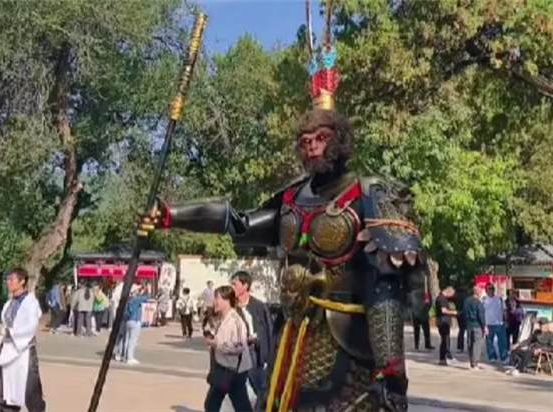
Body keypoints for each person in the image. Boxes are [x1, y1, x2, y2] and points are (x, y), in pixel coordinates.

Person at [136, 10, 429, 408]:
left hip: (347, 344)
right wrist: (172, 216)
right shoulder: (292, 198)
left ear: (340, 140)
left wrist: (391, 371)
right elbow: (238, 222)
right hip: (292, 337)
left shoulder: (370, 193)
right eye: (305, 141)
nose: (312, 146)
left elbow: (386, 289)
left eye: (321, 138)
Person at [0, 267, 46, 412]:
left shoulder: (31, 303)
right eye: (7, 279)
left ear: (22, 281)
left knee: (31, 396)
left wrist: (7, 331)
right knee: (6, 396)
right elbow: (3, 333)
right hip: (6, 354)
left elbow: (29, 328)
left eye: (12, 279)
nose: (8, 282)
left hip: (24, 354)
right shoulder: (9, 304)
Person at [204, 285, 253, 412]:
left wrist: (217, 344)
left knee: (215, 403)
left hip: (233, 371)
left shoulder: (236, 321)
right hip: (224, 368)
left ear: (226, 300)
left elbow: (239, 346)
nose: (215, 301)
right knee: (214, 403)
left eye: (217, 298)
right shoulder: (222, 318)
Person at [230, 271, 273, 411]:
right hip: (238, 355)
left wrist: (270, 357)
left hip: (256, 355)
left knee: (262, 390)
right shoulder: (231, 308)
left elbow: (270, 332)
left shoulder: (259, 307)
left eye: (235, 284)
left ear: (245, 285)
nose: (232, 287)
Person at [116, 284, 153, 365]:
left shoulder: (128, 299)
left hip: (128, 321)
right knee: (133, 340)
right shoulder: (136, 299)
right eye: (137, 291)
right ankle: (130, 357)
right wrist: (147, 290)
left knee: (127, 339)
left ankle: (124, 356)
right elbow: (147, 297)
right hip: (135, 321)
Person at [482, 283, 508, 363]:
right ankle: (492, 356)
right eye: (489, 289)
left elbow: (504, 311)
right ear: (486, 291)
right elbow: (481, 312)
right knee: (489, 342)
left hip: (499, 323)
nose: (491, 290)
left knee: (502, 341)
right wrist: (483, 324)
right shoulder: (483, 300)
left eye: (492, 288)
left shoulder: (499, 299)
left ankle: (504, 357)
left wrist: (506, 320)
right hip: (488, 324)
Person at [463, 286, 487, 370]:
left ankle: (471, 362)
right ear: (478, 293)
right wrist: (484, 326)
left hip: (469, 324)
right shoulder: (478, 303)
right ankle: (475, 363)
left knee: (470, 343)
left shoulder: (466, 301)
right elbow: (481, 315)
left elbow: (464, 312)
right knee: (477, 344)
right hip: (477, 325)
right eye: (481, 292)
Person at [436, 287, 457, 366]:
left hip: (442, 321)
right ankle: (449, 357)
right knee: (446, 340)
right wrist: (453, 312)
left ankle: (442, 359)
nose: (451, 296)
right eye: (451, 295)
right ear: (448, 292)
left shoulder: (440, 298)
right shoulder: (442, 299)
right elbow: (443, 310)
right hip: (443, 321)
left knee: (444, 340)